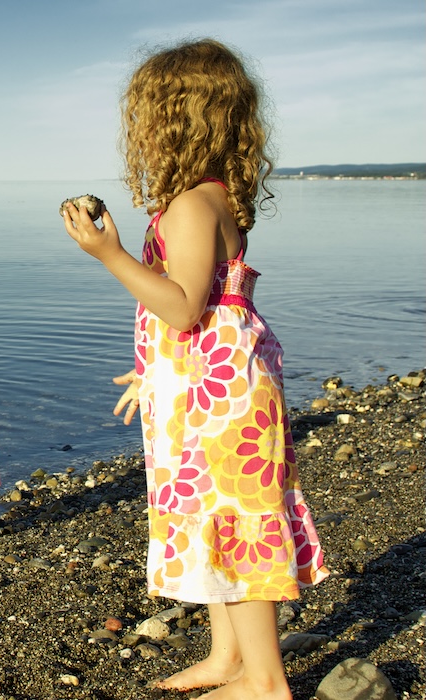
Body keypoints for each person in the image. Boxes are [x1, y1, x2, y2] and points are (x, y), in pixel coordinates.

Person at [62, 40, 328, 699]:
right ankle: (226, 656)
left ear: (175, 121)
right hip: (211, 381)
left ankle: (264, 680)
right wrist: (154, 370)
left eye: (144, 120)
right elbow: (208, 307)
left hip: (221, 395)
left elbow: (180, 308)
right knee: (211, 514)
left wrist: (108, 253)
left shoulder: (187, 207)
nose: (138, 135)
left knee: (236, 519)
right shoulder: (209, 199)